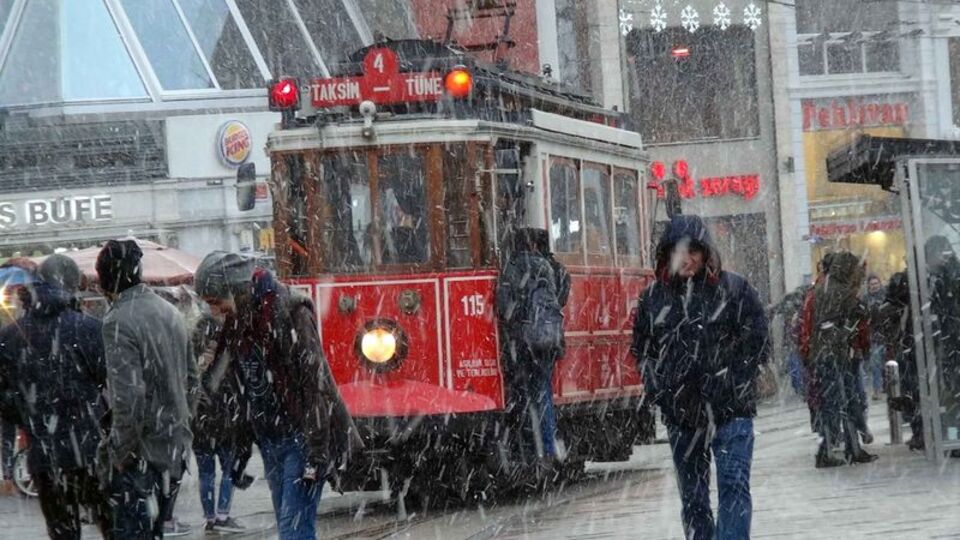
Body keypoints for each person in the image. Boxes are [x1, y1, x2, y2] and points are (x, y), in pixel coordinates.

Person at [194, 252, 361, 540]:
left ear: (234, 289)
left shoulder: (290, 311)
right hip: (269, 438)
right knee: (291, 529)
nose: (215, 311)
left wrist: (318, 450)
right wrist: (241, 447)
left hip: (301, 437)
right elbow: (239, 390)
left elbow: (315, 383)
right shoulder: (238, 323)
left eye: (214, 302)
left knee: (293, 531)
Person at [631, 215, 769, 540]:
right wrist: (661, 391)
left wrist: (737, 381)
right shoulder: (654, 299)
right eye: (679, 251)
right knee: (693, 499)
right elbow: (644, 350)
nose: (687, 258)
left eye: (694, 250)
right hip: (682, 413)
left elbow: (757, 341)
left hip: (731, 409)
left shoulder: (734, 290)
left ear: (705, 252)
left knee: (734, 485)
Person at [0, 255, 111, 538]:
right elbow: (111, 385)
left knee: (62, 532)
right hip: (90, 451)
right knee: (111, 526)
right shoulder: (90, 329)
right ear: (72, 286)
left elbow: (5, 402)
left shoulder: (11, 336)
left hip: (44, 457)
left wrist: (31, 416)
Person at [96, 239, 199, 539]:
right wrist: (181, 422)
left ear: (105, 281)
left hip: (141, 455)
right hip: (173, 451)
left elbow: (128, 397)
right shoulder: (170, 312)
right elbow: (192, 380)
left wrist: (119, 452)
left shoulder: (117, 321)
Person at [799, 251, 877, 468]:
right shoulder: (835, 291)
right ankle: (833, 451)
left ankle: (844, 448)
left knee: (840, 402)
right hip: (833, 355)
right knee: (839, 402)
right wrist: (851, 322)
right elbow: (830, 326)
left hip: (830, 355)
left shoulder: (826, 289)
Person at [496, 229, 566, 464]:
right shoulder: (547, 266)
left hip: (522, 342)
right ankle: (548, 444)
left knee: (524, 394)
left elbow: (505, 307)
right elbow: (559, 296)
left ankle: (530, 446)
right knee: (543, 391)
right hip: (547, 340)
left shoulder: (513, 267)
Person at [191, 313, 246, 533]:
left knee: (206, 474)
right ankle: (223, 516)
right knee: (227, 471)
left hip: (200, 427)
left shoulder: (191, 366)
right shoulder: (226, 363)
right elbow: (235, 393)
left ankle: (210, 518)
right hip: (223, 426)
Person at [877, 272, 924, 449]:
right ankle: (919, 431)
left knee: (911, 393)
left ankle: (918, 431)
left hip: (906, 351)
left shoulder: (896, 304)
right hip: (908, 352)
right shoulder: (903, 304)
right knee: (912, 393)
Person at [864, 274, 886, 401]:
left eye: (876, 283)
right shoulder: (866, 299)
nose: (874, 286)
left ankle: (887, 387)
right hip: (874, 335)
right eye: (872, 284)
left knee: (887, 364)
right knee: (875, 364)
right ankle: (877, 389)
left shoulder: (885, 296)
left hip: (886, 334)